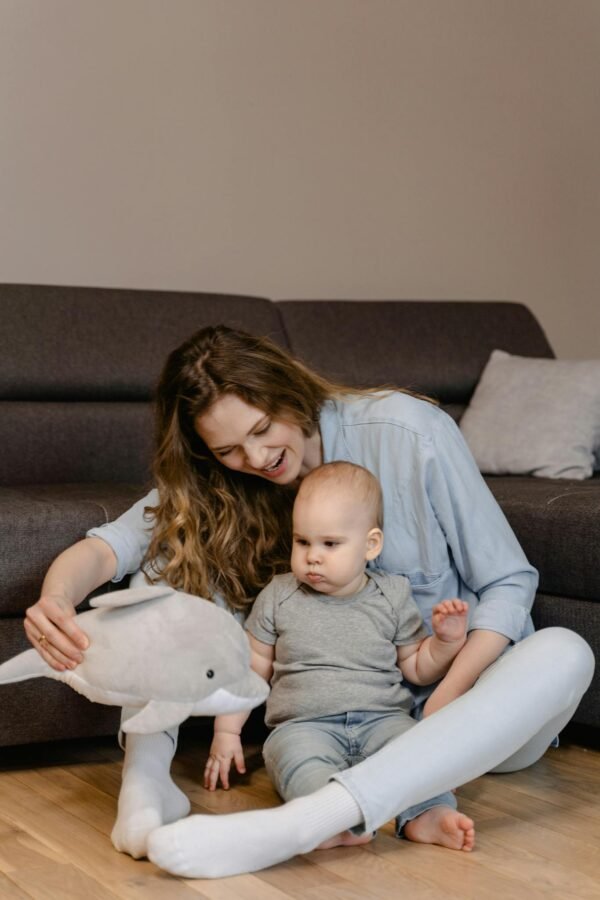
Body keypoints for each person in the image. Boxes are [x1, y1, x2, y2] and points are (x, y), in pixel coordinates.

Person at [24, 325, 594, 876]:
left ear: (288, 391)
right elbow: (109, 550)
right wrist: (55, 599)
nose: (256, 457)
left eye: (263, 427)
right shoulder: (228, 483)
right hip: (326, 721)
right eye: (229, 449)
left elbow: (507, 582)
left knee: (567, 651)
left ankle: (302, 824)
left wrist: (443, 710)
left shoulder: (408, 431)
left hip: (464, 712)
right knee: (162, 566)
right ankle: (145, 785)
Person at [205, 460, 474, 852]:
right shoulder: (279, 595)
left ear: (371, 545)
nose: (313, 556)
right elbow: (250, 670)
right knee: (296, 761)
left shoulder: (392, 595)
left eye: (330, 544)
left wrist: (446, 642)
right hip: (303, 726)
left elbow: (417, 667)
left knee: (416, 755)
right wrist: (226, 731)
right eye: (302, 542)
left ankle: (426, 815)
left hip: (383, 720)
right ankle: (329, 819)